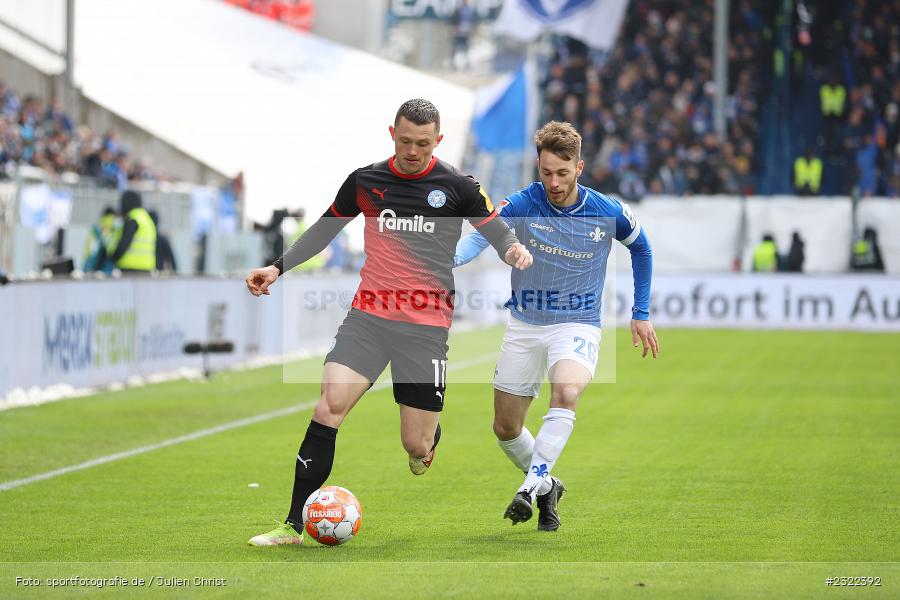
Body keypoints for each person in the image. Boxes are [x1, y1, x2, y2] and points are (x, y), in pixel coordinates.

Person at [244, 99, 533, 546]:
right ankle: (292, 526)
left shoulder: (458, 186)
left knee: (415, 448)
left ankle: (430, 438)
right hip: (368, 320)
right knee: (327, 409)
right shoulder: (366, 181)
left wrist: (514, 250)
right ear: (391, 134)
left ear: (437, 140)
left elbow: (497, 232)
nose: (412, 150)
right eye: (404, 141)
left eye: (422, 143)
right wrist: (277, 267)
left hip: (424, 328)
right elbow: (325, 230)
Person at [454, 121, 659, 531]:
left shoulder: (607, 210)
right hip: (525, 324)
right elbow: (480, 237)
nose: (553, 181)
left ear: (579, 168)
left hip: (578, 324)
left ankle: (529, 489)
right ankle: (549, 487)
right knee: (506, 427)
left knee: (566, 391)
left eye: (562, 173)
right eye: (546, 172)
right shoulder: (522, 203)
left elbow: (642, 247)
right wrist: (444, 260)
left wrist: (640, 312)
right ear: (538, 166)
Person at [107, 190, 157, 274]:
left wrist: (113, 257)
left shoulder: (133, 219)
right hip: (147, 269)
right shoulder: (146, 219)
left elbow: (124, 243)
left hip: (130, 270)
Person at [82, 206, 118, 274]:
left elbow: (89, 250)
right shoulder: (113, 231)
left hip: (91, 267)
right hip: (106, 269)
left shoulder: (95, 230)